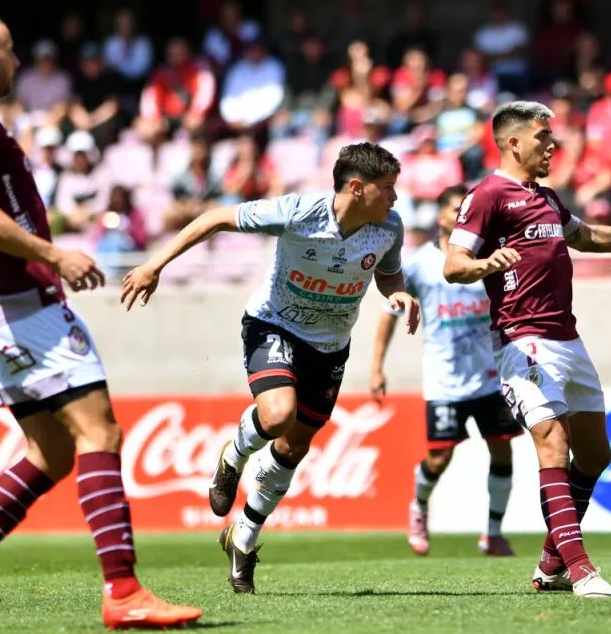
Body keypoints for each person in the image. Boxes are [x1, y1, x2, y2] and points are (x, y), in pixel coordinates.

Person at [0, 11, 202, 631]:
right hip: (24, 303)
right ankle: (122, 592)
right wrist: (55, 255)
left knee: (49, 452)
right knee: (100, 433)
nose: (19, 63)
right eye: (12, 51)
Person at [121, 141, 420, 594]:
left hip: (331, 346)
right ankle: (233, 457)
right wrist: (154, 264)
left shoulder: (388, 227)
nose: (395, 198)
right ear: (356, 188)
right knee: (278, 414)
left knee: (293, 448)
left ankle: (242, 539)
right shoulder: (298, 211)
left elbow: (387, 272)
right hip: (274, 325)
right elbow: (215, 218)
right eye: (388, 188)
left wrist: (395, 292)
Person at [443, 101, 611, 598]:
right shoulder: (487, 194)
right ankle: (582, 570)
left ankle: (550, 564)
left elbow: (586, 237)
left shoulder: (545, 197)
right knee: (552, 443)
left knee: (596, 454)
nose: (552, 146)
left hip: (568, 337)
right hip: (522, 340)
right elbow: (453, 264)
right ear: (514, 142)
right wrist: (487, 265)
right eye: (544, 138)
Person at [370, 184, 521, 558]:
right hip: (444, 379)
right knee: (440, 457)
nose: (463, 217)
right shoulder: (420, 264)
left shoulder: (486, 258)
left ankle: (493, 533)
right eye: (456, 210)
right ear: (440, 217)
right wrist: (377, 368)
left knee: (502, 450)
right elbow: (389, 313)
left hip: (490, 375)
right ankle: (418, 507)